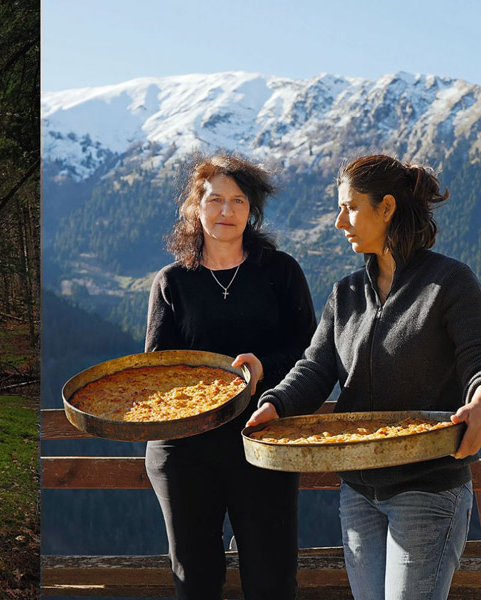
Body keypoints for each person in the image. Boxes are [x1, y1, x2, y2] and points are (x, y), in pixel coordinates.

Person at [248, 154, 481, 600]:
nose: (338, 221)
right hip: (358, 491)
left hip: (427, 488)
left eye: (349, 207)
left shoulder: (449, 283)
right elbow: (315, 367)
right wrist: (274, 405)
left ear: (386, 207)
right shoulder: (345, 293)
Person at [145, 154, 316, 599]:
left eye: (238, 200)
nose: (226, 211)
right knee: (195, 582)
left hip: (263, 445)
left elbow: (311, 354)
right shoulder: (172, 282)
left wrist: (263, 368)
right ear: (195, 208)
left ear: (251, 209)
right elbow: (156, 372)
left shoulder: (280, 272)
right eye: (215, 199)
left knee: (271, 581)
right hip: (185, 453)